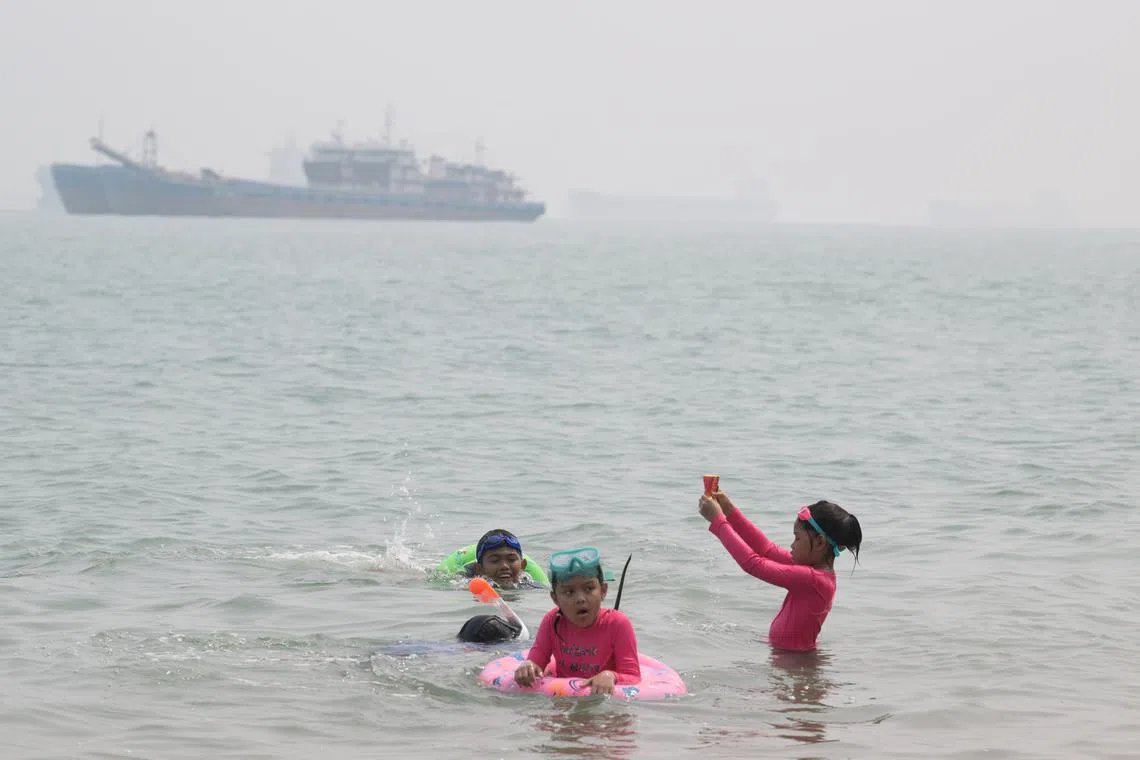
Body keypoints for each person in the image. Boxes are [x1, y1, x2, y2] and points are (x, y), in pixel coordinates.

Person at [698, 489, 863, 651]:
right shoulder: (813, 571)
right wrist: (728, 509)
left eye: (797, 538)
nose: (792, 544)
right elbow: (766, 549)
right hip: (793, 657)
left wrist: (718, 522)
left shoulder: (812, 579)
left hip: (795, 662)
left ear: (820, 542)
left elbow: (753, 564)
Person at [514, 547, 640, 695]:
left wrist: (611, 676)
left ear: (603, 591)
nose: (580, 599)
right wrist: (528, 667)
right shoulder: (552, 621)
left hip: (604, 701)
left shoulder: (617, 624)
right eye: (569, 592)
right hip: (564, 698)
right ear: (555, 598)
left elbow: (633, 677)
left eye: (589, 589)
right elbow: (536, 663)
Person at [436, 529, 548, 589]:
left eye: (511, 559)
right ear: (479, 569)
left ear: (523, 565)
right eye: (495, 561)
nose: (504, 566)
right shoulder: (464, 582)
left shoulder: (532, 586)